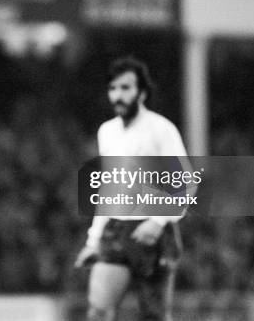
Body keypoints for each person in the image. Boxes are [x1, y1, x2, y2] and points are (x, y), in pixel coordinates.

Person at [74, 57, 187, 321]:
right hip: (117, 229)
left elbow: (185, 184)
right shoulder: (107, 132)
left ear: (142, 92)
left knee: (154, 315)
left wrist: (158, 223)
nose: (118, 95)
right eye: (113, 88)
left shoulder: (161, 129)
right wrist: (94, 240)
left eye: (126, 88)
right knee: (98, 310)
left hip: (153, 231)